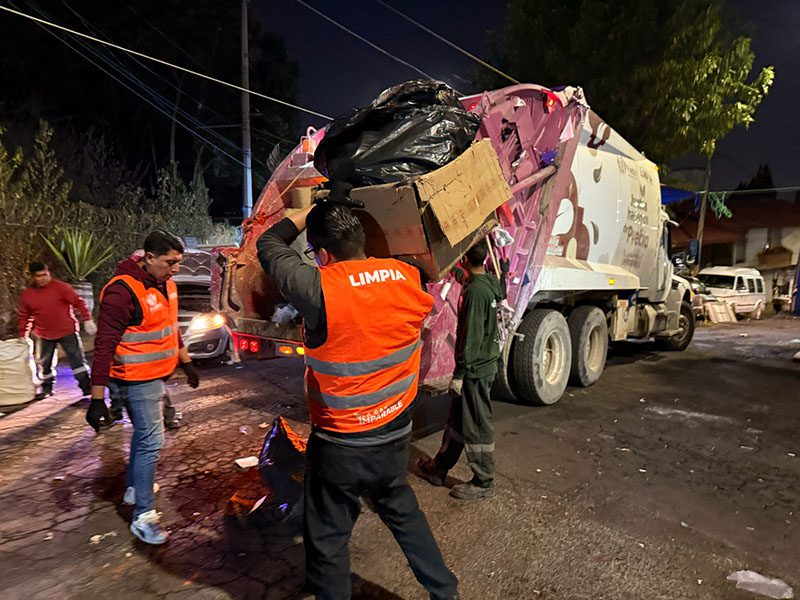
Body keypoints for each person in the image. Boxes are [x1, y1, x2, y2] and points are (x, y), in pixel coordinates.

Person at [257, 201, 459, 600]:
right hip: (395, 436)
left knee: (328, 536)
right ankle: (446, 591)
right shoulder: (409, 277)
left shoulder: (319, 289)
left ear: (323, 254)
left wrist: (309, 210)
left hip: (341, 445)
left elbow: (269, 244)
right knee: (403, 514)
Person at [86, 230, 200, 545]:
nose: (176, 268)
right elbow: (103, 347)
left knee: (143, 436)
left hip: (157, 374)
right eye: (170, 262)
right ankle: (144, 516)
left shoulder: (166, 283)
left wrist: (186, 361)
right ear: (149, 258)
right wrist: (97, 399)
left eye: (179, 262)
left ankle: (136, 489)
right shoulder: (121, 292)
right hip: (135, 378)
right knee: (152, 440)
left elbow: (170, 326)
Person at [416, 241, 501, 500]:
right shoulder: (488, 282)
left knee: (476, 425)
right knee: (458, 421)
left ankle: (484, 481)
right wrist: (448, 266)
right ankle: (439, 468)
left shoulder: (475, 293)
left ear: (465, 259)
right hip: (482, 365)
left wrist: (460, 374)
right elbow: (467, 277)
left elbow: (470, 337)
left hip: (475, 369)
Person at [17, 261, 96, 400]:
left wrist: (88, 319)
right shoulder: (28, 295)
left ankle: (85, 386)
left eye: (45, 274)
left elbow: (78, 302)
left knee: (77, 360)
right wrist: (23, 334)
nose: (43, 278)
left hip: (67, 331)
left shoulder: (61, 288)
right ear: (33, 277)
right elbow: (25, 316)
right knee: (44, 363)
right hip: (44, 334)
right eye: (39, 276)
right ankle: (47, 389)